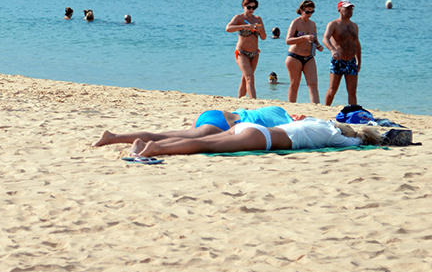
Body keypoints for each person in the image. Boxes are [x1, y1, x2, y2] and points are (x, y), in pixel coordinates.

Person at [127, 118, 381, 158]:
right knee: (205, 145)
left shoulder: (319, 122)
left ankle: (150, 144)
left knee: (208, 141)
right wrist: (368, 138)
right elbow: (356, 143)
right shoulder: (334, 135)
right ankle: (154, 149)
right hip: (261, 139)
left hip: (249, 127)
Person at [93, 105, 301, 146]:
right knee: (179, 138)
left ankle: (114, 136)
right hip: (223, 124)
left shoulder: (275, 109)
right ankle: (113, 138)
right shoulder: (284, 120)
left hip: (215, 113)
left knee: (173, 133)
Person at [226, 0, 266, 99]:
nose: (251, 10)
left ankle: (240, 100)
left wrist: (259, 29)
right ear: (244, 6)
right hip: (242, 52)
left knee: (245, 78)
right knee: (250, 78)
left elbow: (263, 37)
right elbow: (228, 28)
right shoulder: (239, 18)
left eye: (254, 8)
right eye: (249, 7)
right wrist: (245, 26)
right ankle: (254, 101)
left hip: (255, 53)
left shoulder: (257, 19)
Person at [323, 0, 362, 106]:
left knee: (352, 92)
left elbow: (357, 44)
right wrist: (332, 50)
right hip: (338, 61)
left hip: (351, 62)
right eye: (347, 8)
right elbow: (325, 39)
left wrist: (359, 61)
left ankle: (352, 112)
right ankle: (326, 109)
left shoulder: (354, 26)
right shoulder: (333, 24)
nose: (350, 11)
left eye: (351, 8)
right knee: (332, 90)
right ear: (339, 10)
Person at [285, 0, 324, 104]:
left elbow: (314, 39)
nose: (309, 14)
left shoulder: (312, 24)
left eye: (312, 12)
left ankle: (316, 106)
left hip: (309, 57)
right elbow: (288, 40)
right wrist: (304, 38)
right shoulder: (296, 22)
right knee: (295, 84)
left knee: (313, 84)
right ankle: (292, 106)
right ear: (301, 10)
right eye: (307, 12)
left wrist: (318, 46)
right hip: (294, 56)